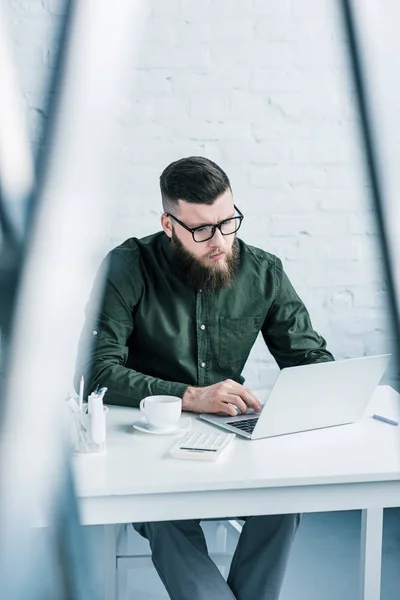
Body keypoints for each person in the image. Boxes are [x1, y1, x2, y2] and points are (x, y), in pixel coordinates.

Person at [75, 156, 334, 600]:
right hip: (146, 446)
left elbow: (308, 356)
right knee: (163, 513)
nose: (219, 241)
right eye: (201, 229)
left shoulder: (263, 271)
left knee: (286, 500)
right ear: (168, 223)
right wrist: (190, 396)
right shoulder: (127, 267)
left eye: (228, 222)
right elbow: (96, 371)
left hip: (230, 438)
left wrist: (321, 386)